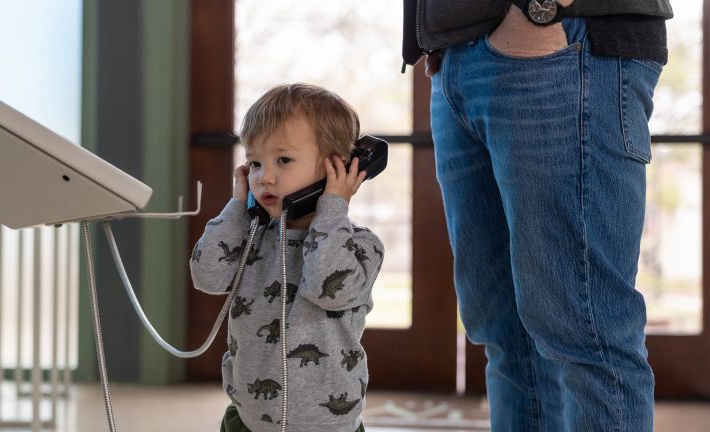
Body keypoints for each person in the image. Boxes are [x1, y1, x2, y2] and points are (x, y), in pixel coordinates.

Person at [402, 0, 673, 430]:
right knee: (508, 337)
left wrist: (540, 10)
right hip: (461, 59)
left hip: (559, 40)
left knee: (588, 333)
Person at [189, 83, 384, 432]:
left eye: (284, 160)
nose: (266, 177)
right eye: (255, 163)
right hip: (248, 420)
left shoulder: (362, 246)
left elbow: (329, 286)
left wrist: (332, 207)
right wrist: (238, 207)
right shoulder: (251, 237)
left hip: (328, 424)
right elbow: (207, 276)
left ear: (337, 167)